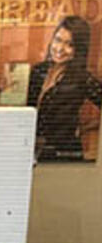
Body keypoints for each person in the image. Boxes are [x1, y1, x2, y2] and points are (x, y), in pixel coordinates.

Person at [27, 15, 102, 161]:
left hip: (64, 153)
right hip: (33, 151)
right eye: (58, 40)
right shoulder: (38, 71)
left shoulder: (82, 79)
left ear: (79, 49)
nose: (60, 49)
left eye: (70, 44)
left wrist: (86, 127)